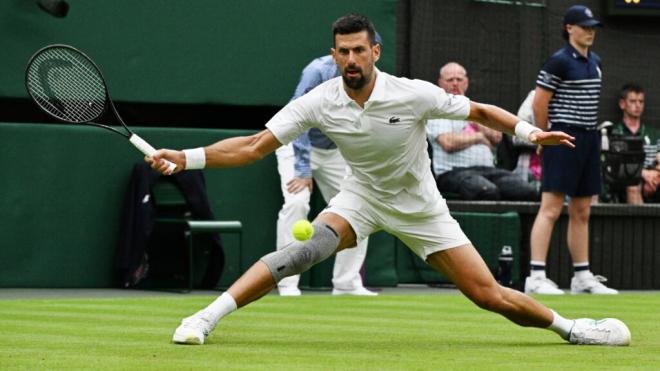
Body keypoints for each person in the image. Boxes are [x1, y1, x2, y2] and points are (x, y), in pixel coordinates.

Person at [148, 13, 630, 346]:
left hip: (422, 205)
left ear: (375, 51)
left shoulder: (413, 93)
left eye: (360, 50)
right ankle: (205, 317)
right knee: (301, 251)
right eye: (343, 52)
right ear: (333, 56)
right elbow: (255, 145)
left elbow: (480, 110)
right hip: (361, 197)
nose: (352, 59)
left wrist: (529, 131)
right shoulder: (320, 100)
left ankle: (573, 328)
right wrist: (186, 158)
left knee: (489, 296)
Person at [274, 44, 381, 297]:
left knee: (360, 208)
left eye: (363, 51)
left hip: (336, 151)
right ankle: (287, 282)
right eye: (348, 51)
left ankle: (346, 283)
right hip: (297, 144)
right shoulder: (317, 71)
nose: (355, 58)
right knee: (297, 204)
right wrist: (302, 168)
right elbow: (295, 116)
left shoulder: (376, 79)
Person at [526, 5, 618, 295]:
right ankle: (536, 277)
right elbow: (539, 104)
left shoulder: (596, 61)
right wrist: (543, 138)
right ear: (569, 28)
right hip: (562, 137)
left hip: (589, 140)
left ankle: (581, 276)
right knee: (551, 208)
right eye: (584, 26)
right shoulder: (558, 62)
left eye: (592, 27)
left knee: (582, 210)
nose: (590, 31)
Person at [427, 62, 538, 201]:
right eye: (450, 80)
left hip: (488, 171)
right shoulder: (438, 112)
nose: (455, 83)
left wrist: (473, 117)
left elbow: (496, 137)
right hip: (453, 173)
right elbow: (448, 142)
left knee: (526, 191)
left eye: (459, 79)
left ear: (466, 82)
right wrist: (479, 137)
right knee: (486, 191)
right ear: (441, 83)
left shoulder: (475, 109)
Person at [611, 83, 660, 204]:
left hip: (654, 179)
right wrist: (643, 174)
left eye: (641, 101)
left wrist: (655, 177)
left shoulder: (654, 133)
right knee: (633, 185)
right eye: (633, 101)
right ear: (622, 104)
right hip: (625, 181)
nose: (638, 105)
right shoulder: (614, 133)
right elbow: (613, 165)